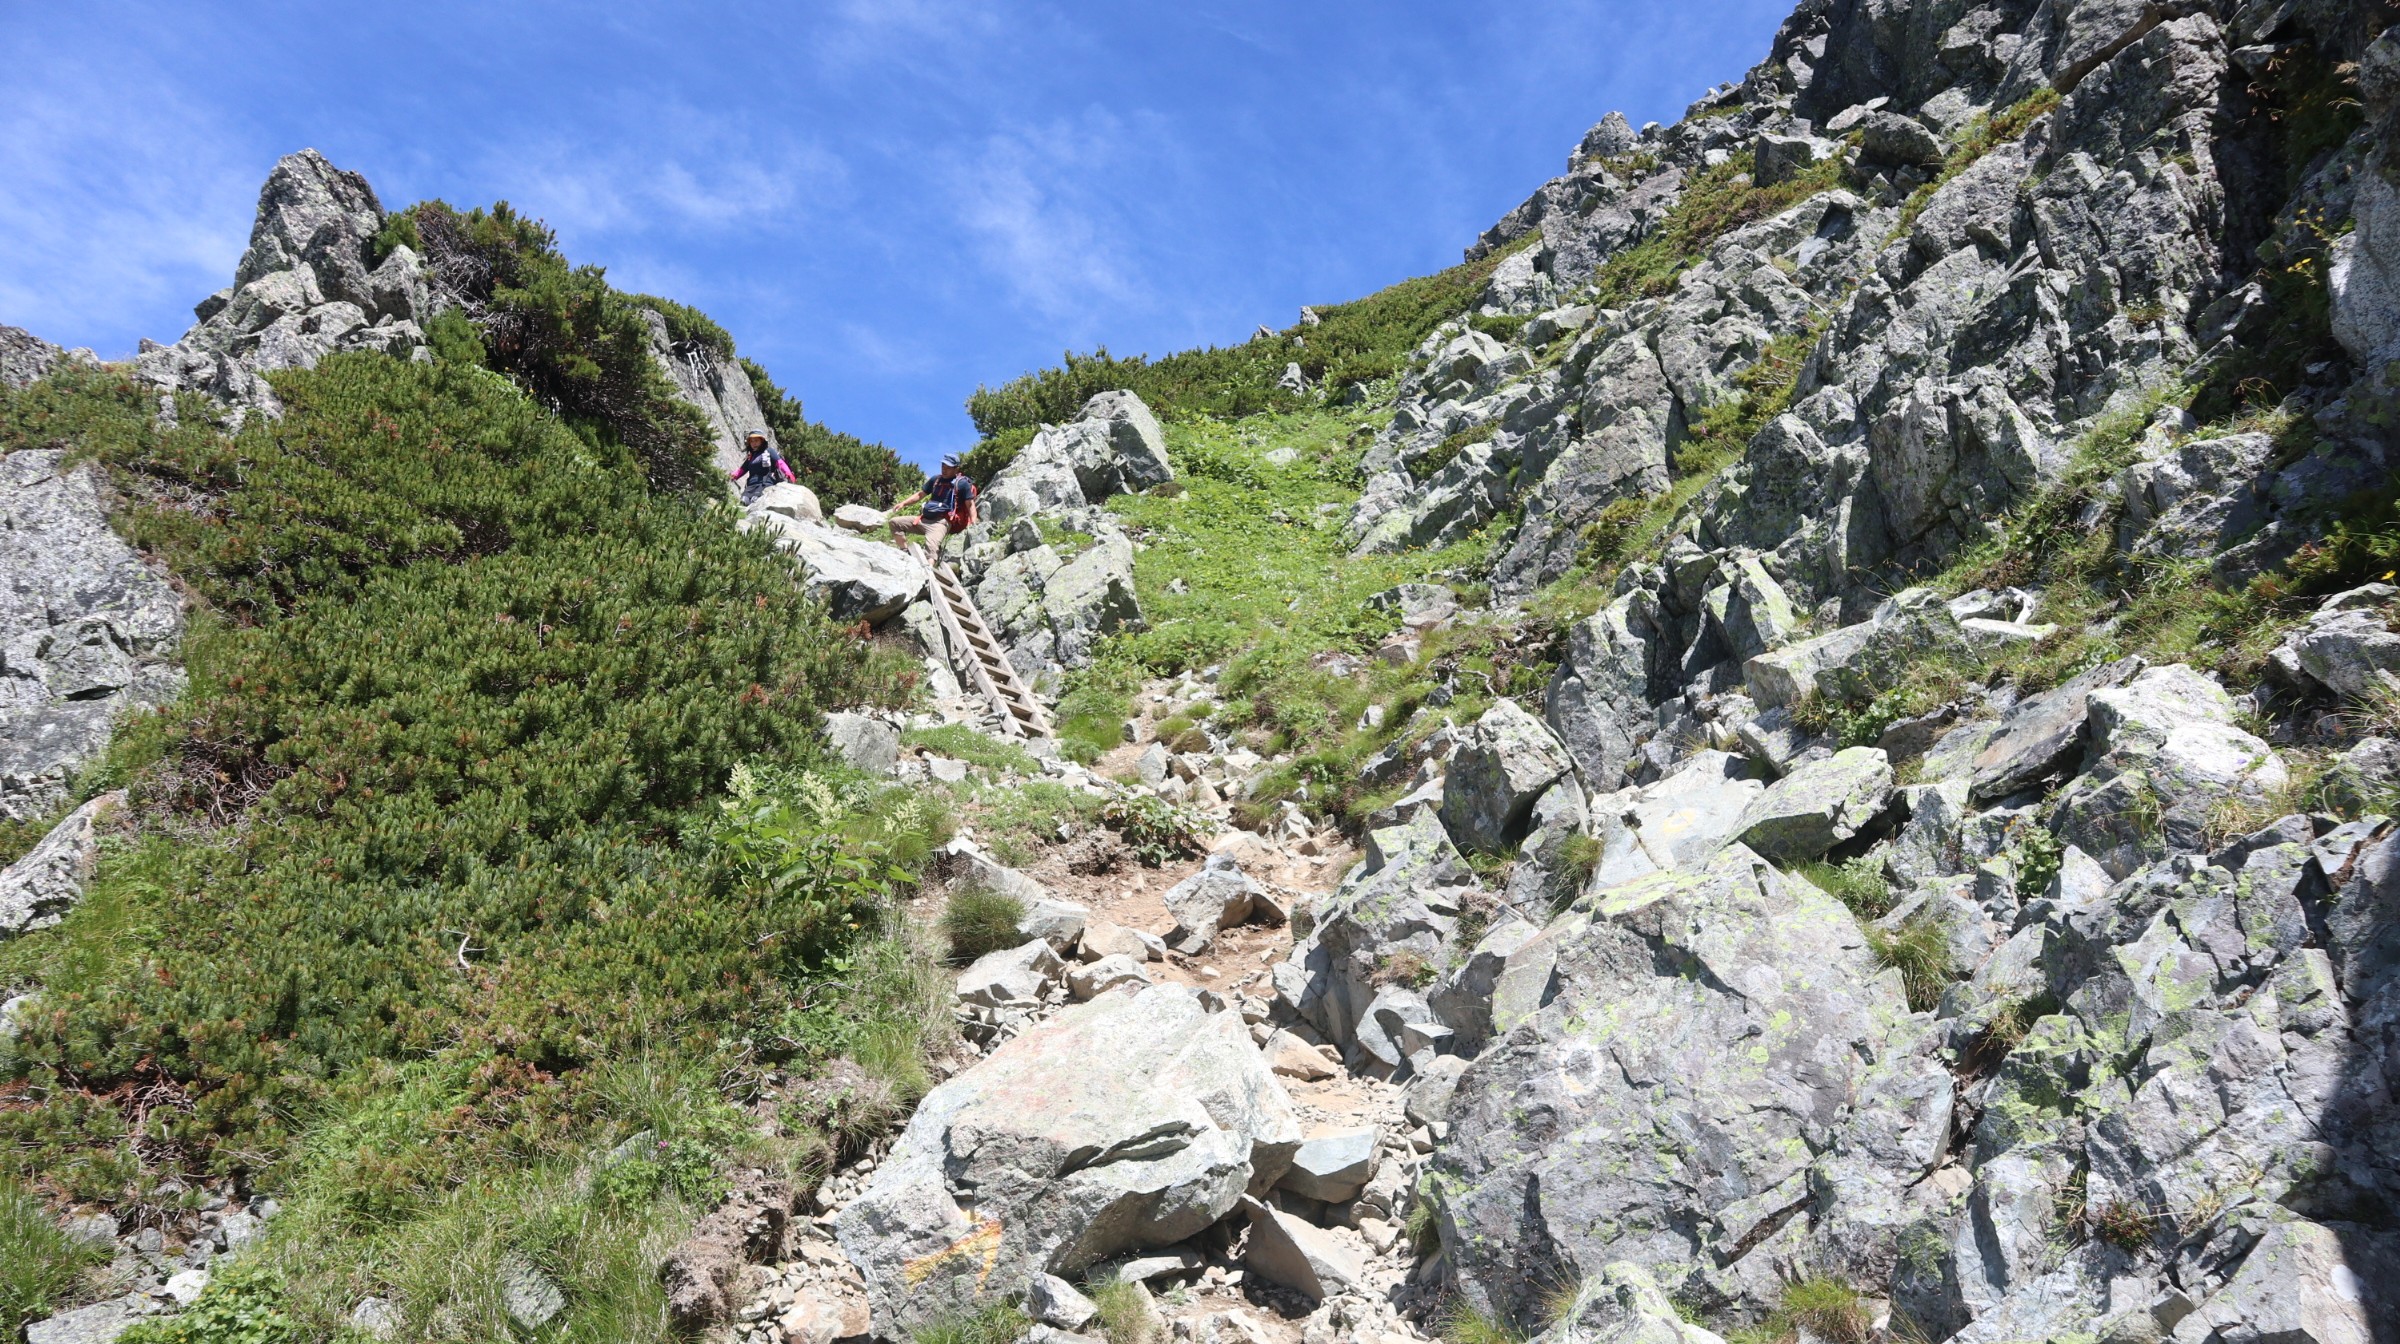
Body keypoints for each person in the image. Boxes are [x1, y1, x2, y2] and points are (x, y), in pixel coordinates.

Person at [889, 456, 978, 559]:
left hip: (942, 522)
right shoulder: (936, 480)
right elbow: (920, 494)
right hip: (924, 519)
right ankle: (905, 552)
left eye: (948, 467)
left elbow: (970, 505)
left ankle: (929, 570)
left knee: (931, 550)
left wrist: (973, 524)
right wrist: (903, 503)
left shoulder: (962, 484)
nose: (944, 470)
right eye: (943, 466)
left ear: (956, 469)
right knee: (895, 523)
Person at [729, 431, 795, 504]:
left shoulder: (769, 451)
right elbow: (741, 470)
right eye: (751, 441)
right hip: (750, 486)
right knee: (743, 501)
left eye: (756, 440)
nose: (754, 443)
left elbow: (780, 463)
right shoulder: (751, 456)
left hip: (765, 485)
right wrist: (730, 476)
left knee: (756, 501)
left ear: (762, 441)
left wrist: (788, 473)